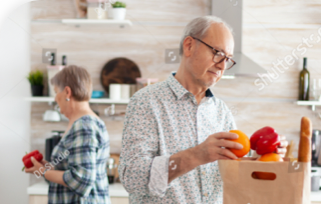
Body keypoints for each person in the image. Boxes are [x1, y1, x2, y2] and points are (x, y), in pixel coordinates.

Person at [119, 16, 288, 203]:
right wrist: (196, 155)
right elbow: (132, 179)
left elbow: (234, 175)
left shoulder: (222, 112)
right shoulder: (146, 102)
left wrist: (264, 159)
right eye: (217, 53)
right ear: (189, 46)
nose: (223, 66)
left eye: (228, 59)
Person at [25, 65, 111, 204]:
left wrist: (44, 172)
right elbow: (74, 171)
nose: (55, 99)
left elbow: (81, 181)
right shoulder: (84, 123)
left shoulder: (84, 126)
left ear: (67, 92)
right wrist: (49, 168)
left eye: (55, 92)